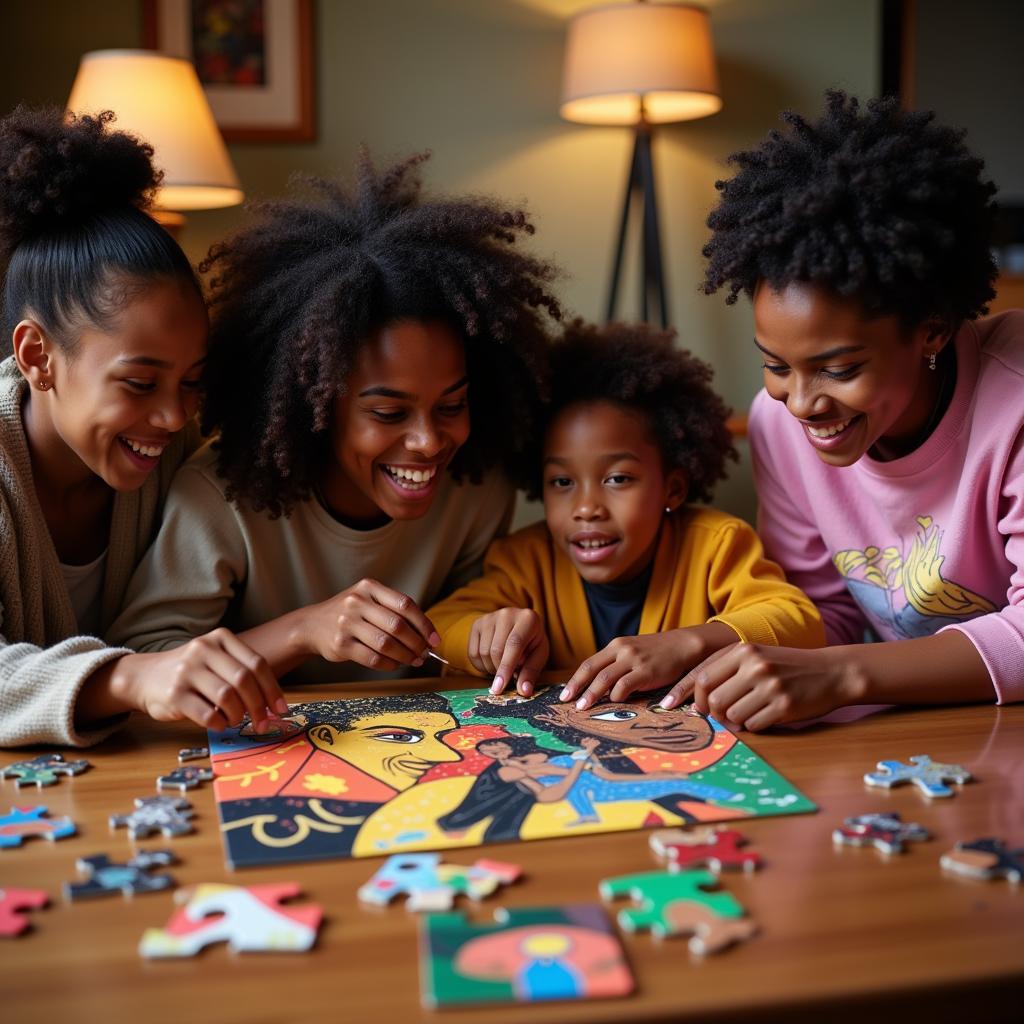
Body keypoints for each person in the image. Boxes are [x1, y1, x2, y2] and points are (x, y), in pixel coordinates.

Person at [109, 152, 559, 684]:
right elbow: (149, 661)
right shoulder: (219, 499)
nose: (428, 441)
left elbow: (458, 634)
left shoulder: (477, 489)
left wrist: (492, 638)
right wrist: (304, 630)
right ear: (314, 406)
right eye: (389, 412)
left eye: (451, 405)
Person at [684, 90, 1024, 728]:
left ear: (932, 328)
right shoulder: (776, 424)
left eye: (838, 369)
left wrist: (842, 676)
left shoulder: (1016, 403)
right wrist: (703, 641)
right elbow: (825, 614)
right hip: (915, 734)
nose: (803, 404)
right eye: (776, 365)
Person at [0, 107, 285, 748]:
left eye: (191, 381)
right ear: (38, 357)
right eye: (139, 382)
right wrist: (129, 677)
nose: (174, 416)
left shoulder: (184, 453)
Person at [426, 320, 824, 704]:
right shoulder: (524, 561)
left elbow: (799, 622)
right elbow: (441, 627)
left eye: (617, 479)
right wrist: (484, 635)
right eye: (562, 482)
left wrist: (688, 642)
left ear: (673, 487)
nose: (586, 508)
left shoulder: (715, 545)